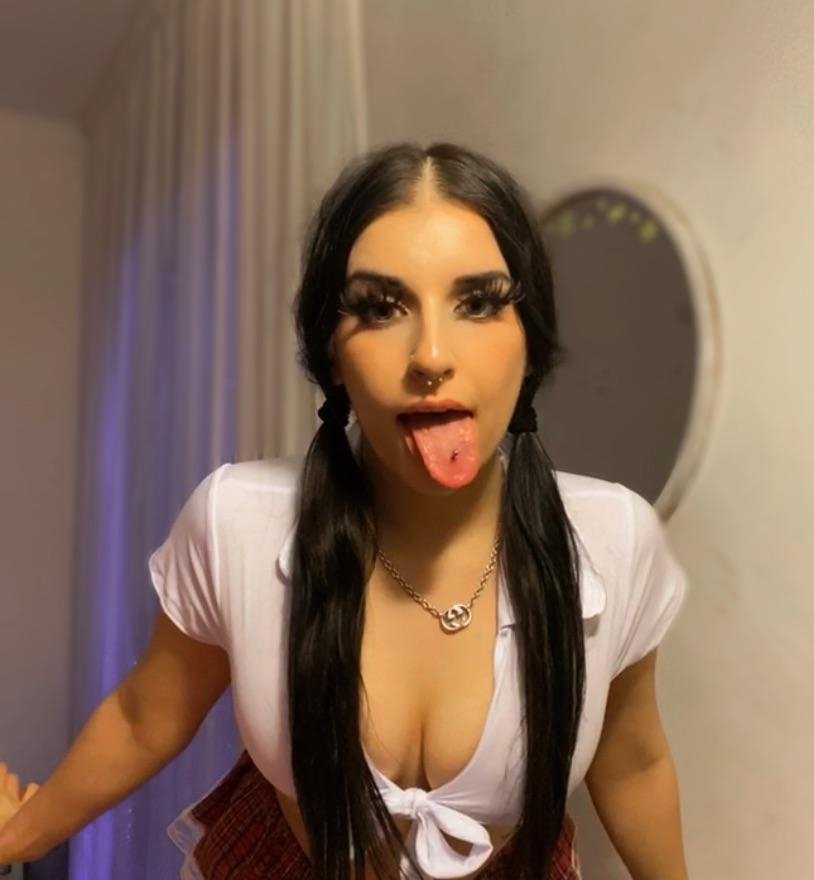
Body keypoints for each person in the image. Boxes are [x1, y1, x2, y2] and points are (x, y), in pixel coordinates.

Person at [0, 141, 689, 879]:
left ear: (529, 340)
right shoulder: (236, 521)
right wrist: (20, 837)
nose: (431, 355)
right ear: (332, 352)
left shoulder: (614, 539)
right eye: (381, 307)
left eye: (479, 302)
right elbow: (147, 715)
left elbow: (632, 761)